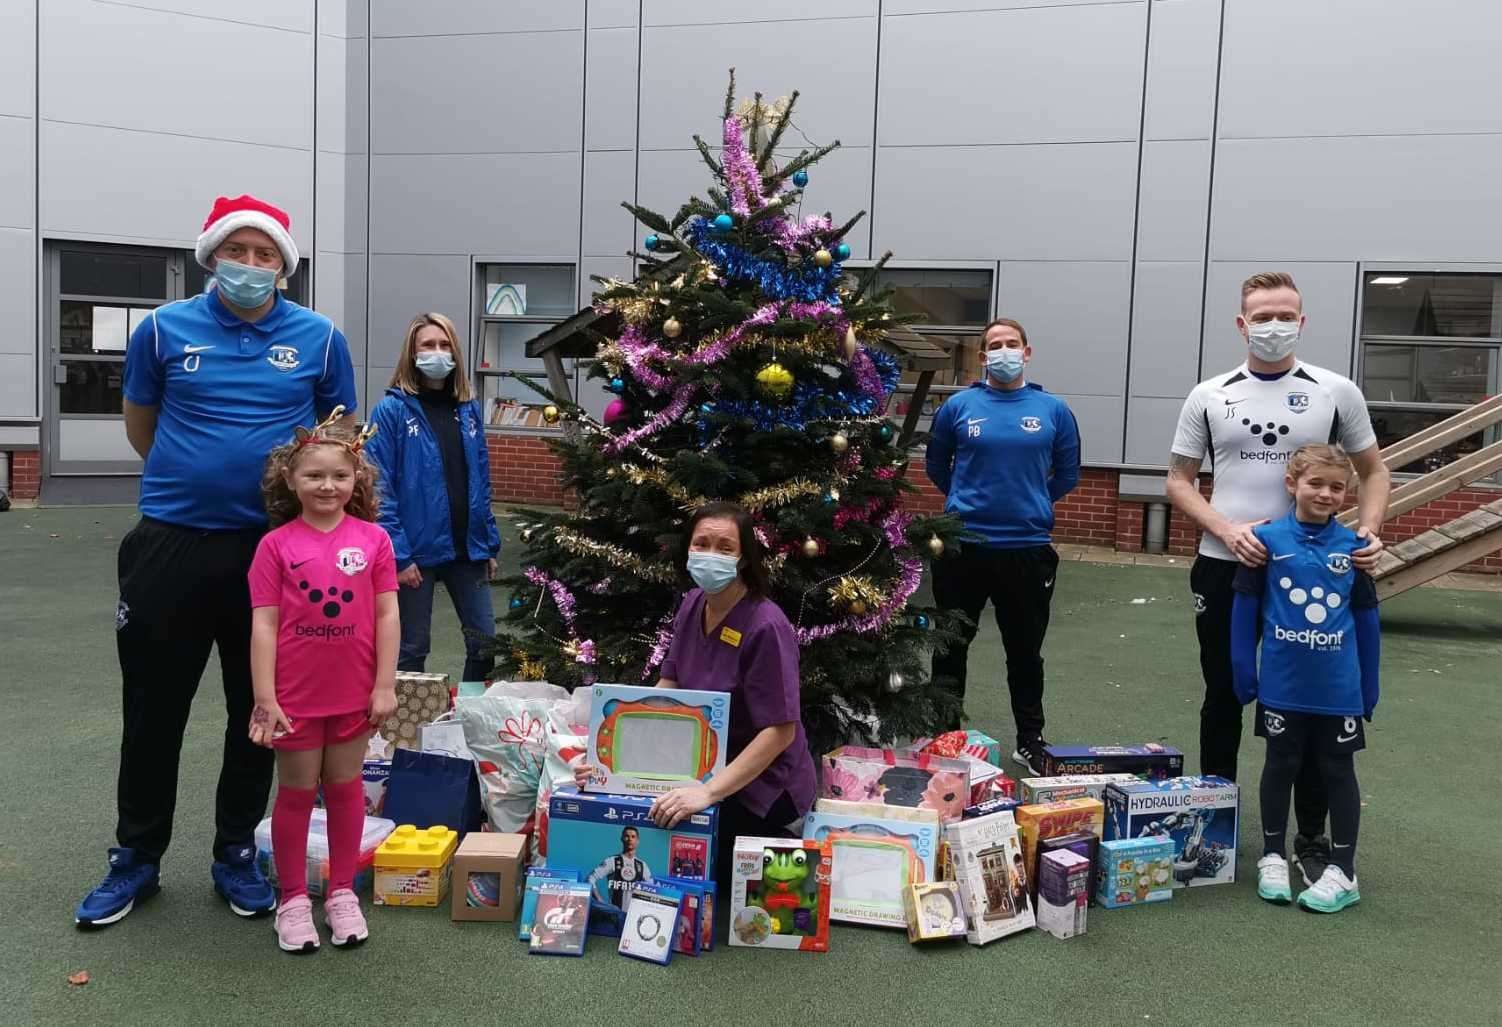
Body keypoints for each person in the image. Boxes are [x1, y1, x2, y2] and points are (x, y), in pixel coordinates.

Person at [77, 195, 358, 928]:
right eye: (238, 251)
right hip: (168, 541)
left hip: (273, 551)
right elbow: (142, 423)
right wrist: (190, 477)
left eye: (266, 255)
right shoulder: (164, 330)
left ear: (284, 269)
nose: (251, 266)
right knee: (153, 707)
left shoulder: (321, 338)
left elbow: (338, 432)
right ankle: (136, 858)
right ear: (211, 257)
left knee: (260, 709)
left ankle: (235, 850)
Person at [1166, 271, 1389, 890]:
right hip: (1226, 559)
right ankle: (1213, 830)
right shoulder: (1208, 394)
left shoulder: (1335, 391)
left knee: (1314, 701)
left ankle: (1310, 838)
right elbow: (1178, 480)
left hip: (1316, 565)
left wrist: (1367, 535)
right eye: (1261, 316)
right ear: (1242, 324)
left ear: (1302, 320)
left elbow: (1374, 471)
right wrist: (1228, 528)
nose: (1273, 326)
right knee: (1224, 691)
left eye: (1284, 314)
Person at [574, 501, 816, 887]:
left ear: (743, 559)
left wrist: (707, 793)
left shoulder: (766, 626)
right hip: (698, 759)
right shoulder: (692, 604)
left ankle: (785, 842)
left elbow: (780, 732)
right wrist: (609, 765)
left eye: (724, 547)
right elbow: (668, 689)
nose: (710, 555)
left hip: (762, 783)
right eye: (701, 543)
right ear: (687, 548)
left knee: (694, 851)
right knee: (641, 810)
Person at [247, 413, 399, 951]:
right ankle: (291, 899)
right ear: (290, 481)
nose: (327, 486)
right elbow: (263, 624)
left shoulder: (376, 541)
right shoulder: (274, 547)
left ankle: (339, 892)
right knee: (294, 793)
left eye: (339, 475)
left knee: (344, 787)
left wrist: (384, 685)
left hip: (355, 693)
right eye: (314, 476)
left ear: (356, 479)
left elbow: (386, 616)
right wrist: (265, 698)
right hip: (295, 697)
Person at [924, 317, 1081, 775]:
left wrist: (1031, 502)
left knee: (1025, 651)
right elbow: (937, 466)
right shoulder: (958, 407)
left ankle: (1030, 740)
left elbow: (1068, 473)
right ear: (982, 356)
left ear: (1027, 352)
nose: (1004, 351)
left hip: (1027, 549)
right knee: (950, 646)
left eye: (1012, 344)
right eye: (995, 344)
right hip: (963, 547)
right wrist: (965, 502)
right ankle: (945, 736)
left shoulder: (1053, 410)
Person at [1230, 444, 1379, 913]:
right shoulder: (1266, 542)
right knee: (1280, 763)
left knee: (1338, 770)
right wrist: (1243, 672)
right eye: (1316, 483)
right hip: (1282, 684)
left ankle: (1344, 870)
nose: (1327, 494)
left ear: (1347, 494)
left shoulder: (1356, 550)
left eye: (1337, 487)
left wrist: (1369, 686)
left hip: (1337, 690)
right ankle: (1272, 855)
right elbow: (1244, 610)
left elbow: (1368, 620)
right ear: (1292, 484)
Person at [364, 313, 501, 685]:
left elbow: (481, 480)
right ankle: (406, 735)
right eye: (428, 345)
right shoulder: (391, 410)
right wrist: (398, 553)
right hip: (414, 553)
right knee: (411, 647)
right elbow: (378, 485)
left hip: (467, 549)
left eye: (444, 345)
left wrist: (488, 542)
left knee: (485, 642)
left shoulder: (468, 409)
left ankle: (471, 718)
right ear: (412, 353)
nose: (437, 352)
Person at [586, 827, 653, 913]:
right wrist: (600, 900)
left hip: (633, 915)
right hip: (614, 915)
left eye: (633, 837)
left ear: (638, 841)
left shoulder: (642, 865)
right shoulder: (612, 861)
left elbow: (652, 890)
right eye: (627, 836)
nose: (630, 839)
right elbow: (590, 879)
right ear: (622, 839)